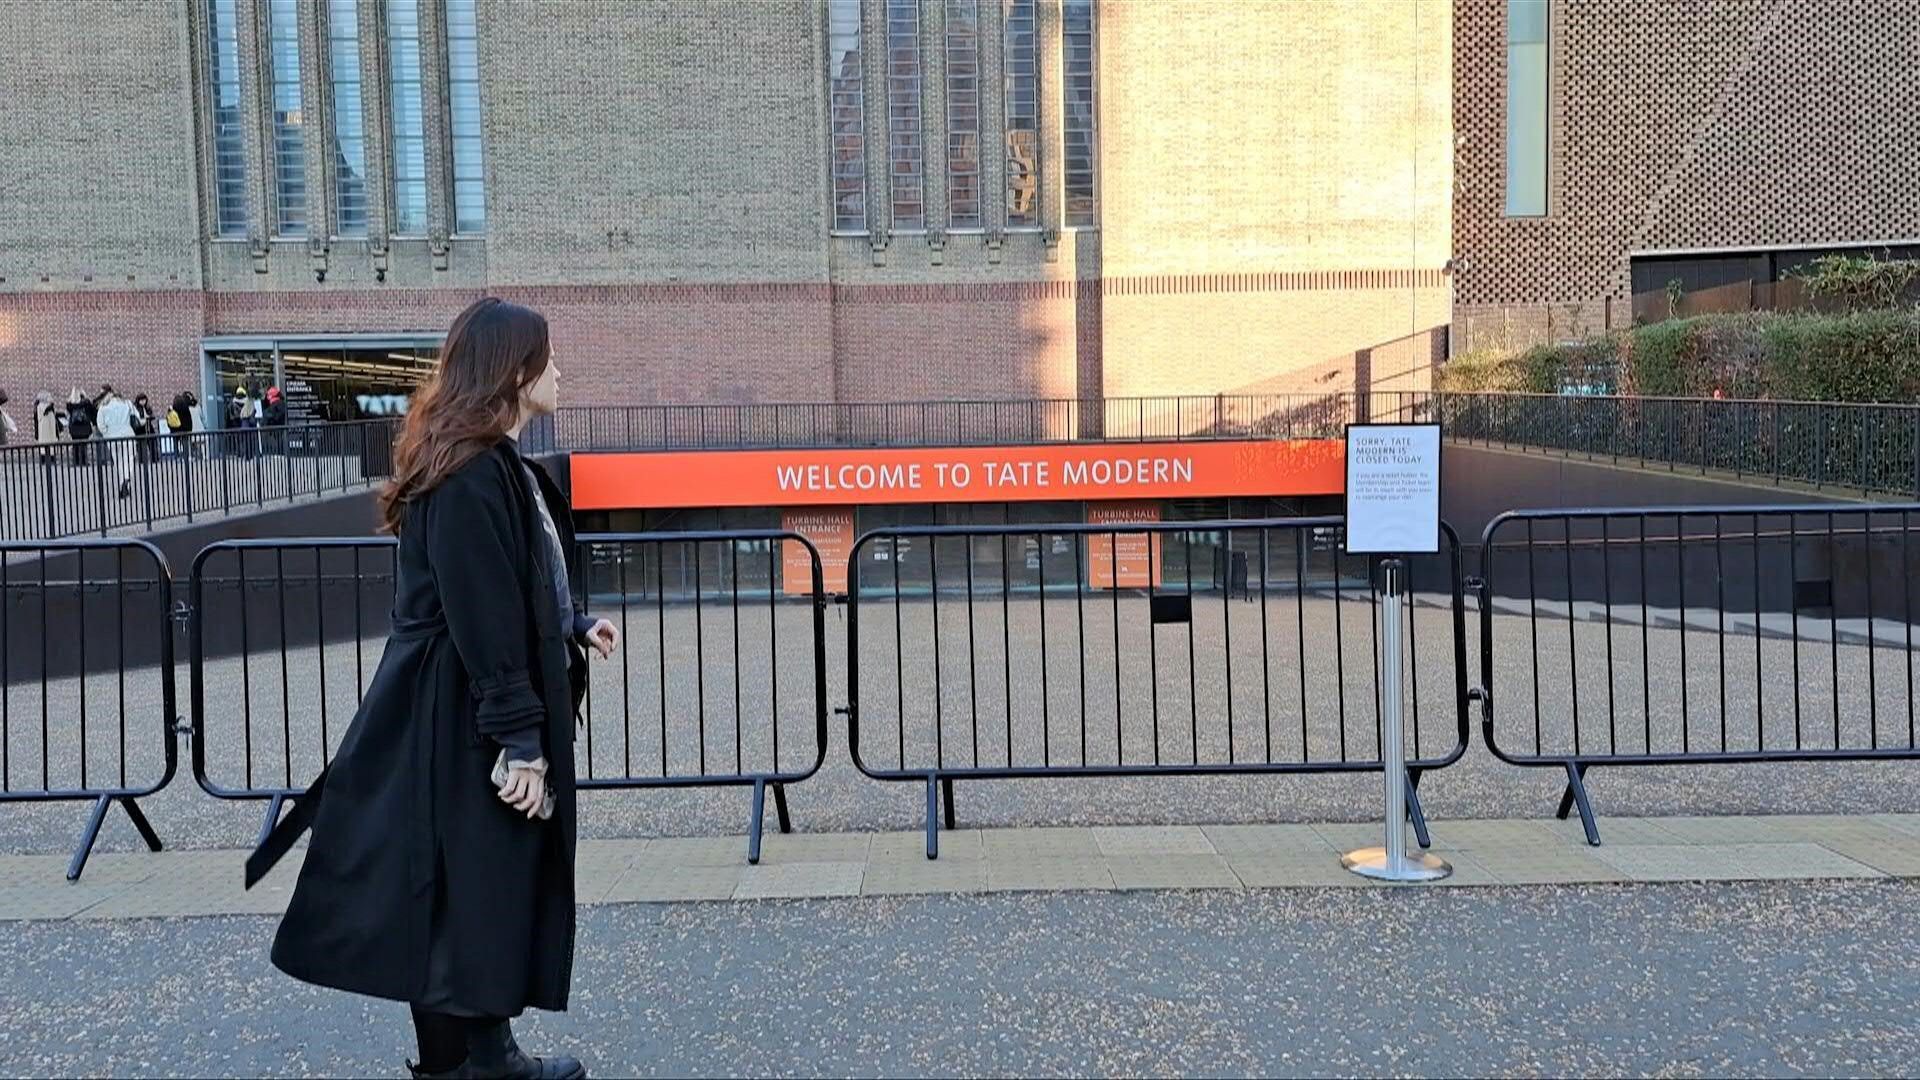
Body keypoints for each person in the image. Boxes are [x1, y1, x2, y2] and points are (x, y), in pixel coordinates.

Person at [247, 298, 616, 1080]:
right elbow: (479, 609)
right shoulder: (470, 473)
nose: (558, 369)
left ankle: (473, 1057)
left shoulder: (487, 464)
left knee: (463, 885)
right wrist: (520, 739)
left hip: (458, 701)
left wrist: (571, 624)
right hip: (458, 712)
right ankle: (476, 1061)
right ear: (514, 372)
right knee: (466, 883)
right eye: (546, 357)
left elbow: (509, 581)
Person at [97, 386, 137, 500]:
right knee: (129, 459)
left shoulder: (103, 407)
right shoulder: (127, 404)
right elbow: (137, 417)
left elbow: (100, 425)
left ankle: (122, 483)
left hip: (112, 437)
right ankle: (126, 479)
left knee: (118, 461)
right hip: (127, 434)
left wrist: (107, 433)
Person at [64, 389, 95, 467]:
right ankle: (84, 461)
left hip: (74, 428)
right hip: (84, 427)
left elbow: (68, 410)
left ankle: (75, 461)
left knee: (75, 445)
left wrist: (72, 397)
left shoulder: (70, 404)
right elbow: (91, 410)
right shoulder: (86, 403)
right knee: (84, 445)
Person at [168, 390, 198, 459]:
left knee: (176, 444)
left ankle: (176, 457)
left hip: (175, 430)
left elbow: (169, 419)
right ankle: (186, 457)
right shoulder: (185, 407)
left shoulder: (172, 409)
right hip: (185, 429)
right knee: (185, 444)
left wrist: (171, 428)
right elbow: (195, 403)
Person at [131, 393, 160, 464]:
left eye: (144, 400)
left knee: (152, 443)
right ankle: (142, 460)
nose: (143, 402)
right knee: (141, 446)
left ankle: (154, 459)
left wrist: (149, 417)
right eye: (141, 400)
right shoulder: (135, 408)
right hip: (140, 429)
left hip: (149, 427)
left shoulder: (147, 407)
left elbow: (152, 415)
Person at [34, 392, 60, 463]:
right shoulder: (43, 407)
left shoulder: (39, 407)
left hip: (46, 428)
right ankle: (49, 459)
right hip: (47, 428)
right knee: (48, 443)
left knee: (46, 443)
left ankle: (46, 459)